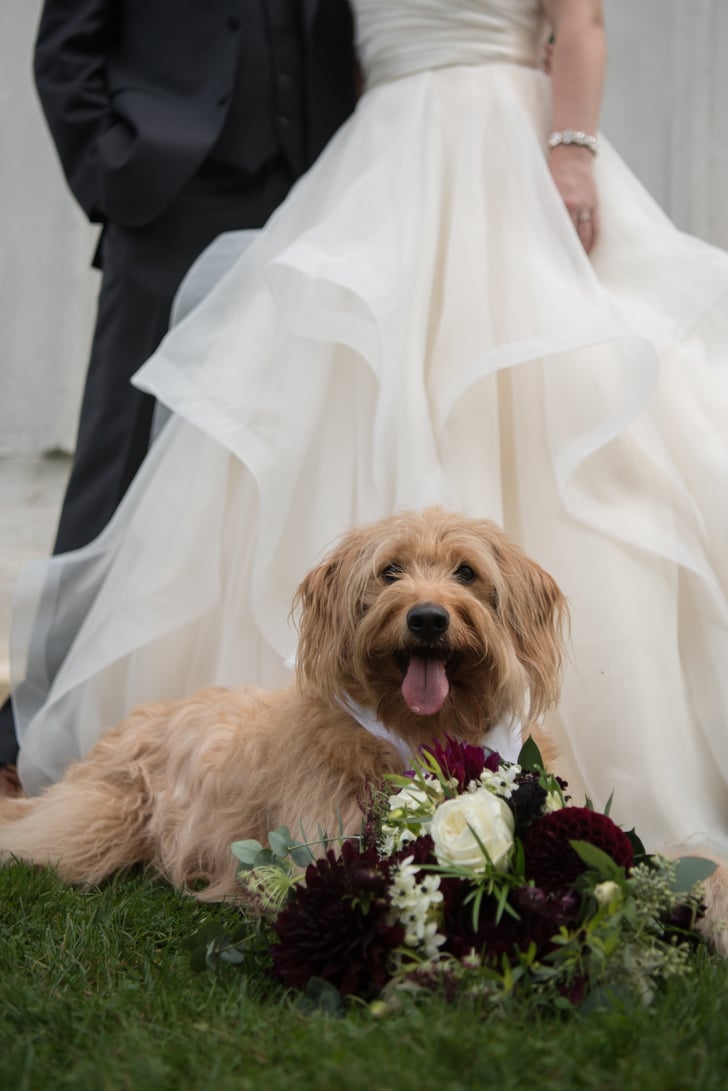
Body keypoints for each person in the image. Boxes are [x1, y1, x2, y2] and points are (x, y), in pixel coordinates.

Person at [6, 0, 728, 886]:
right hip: (375, 153)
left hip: (509, 145)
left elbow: (579, 17)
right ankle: (309, 761)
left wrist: (571, 145)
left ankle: (572, 776)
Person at [0, 0, 358, 790]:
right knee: (119, 457)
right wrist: (111, 170)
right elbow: (64, 47)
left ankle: (237, 700)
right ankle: (35, 719)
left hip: (309, 200)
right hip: (167, 197)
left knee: (273, 456)